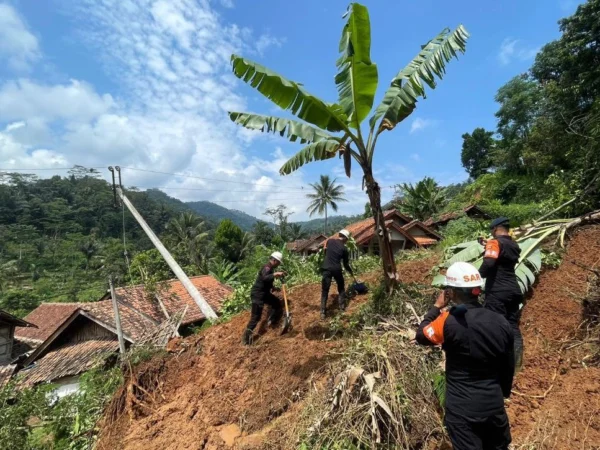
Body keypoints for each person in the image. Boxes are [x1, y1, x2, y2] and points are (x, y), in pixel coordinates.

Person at [416, 261, 515, 450]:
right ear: (477, 290)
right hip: (493, 404)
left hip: (462, 409)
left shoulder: (447, 321)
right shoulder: (501, 321)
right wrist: (501, 394)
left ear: (450, 293)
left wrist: (436, 308)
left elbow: (421, 335)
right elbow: (508, 365)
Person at [478, 217, 524, 368]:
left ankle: (493, 364)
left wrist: (477, 277)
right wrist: (488, 245)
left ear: (495, 229)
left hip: (498, 292)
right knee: (512, 327)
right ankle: (516, 364)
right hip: (513, 290)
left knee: (492, 325)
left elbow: (489, 263)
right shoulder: (514, 244)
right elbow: (503, 254)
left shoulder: (495, 243)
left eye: (492, 230)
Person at [242, 252, 286, 345]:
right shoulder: (267, 267)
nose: (278, 264)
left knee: (276, 303)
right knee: (256, 318)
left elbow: (267, 282)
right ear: (274, 260)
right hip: (257, 295)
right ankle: (246, 339)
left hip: (264, 293)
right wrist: (275, 274)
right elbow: (265, 278)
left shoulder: (270, 269)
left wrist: (273, 288)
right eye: (278, 262)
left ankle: (271, 321)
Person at [320, 229, 354, 319]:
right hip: (336, 269)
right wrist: (350, 271)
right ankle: (342, 307)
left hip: (326, 268)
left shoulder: (330, 241)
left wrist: (325, 249)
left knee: (325, 290)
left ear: (339, 235)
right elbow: (346, 264)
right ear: (345, 239)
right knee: (341, 287)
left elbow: (326, 244)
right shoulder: (344, 249)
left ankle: (323, 312)